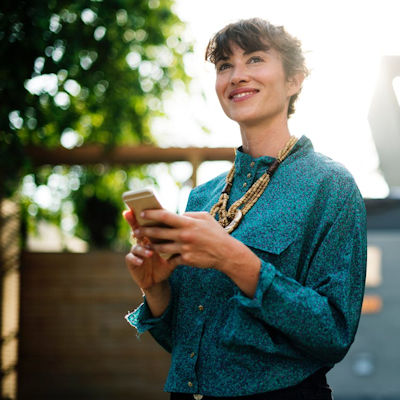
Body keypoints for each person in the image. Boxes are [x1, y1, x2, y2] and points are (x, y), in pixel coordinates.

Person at [123, 18, 367, 400]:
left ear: (294, 80)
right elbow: (186, 344)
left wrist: (231, 257)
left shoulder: (331, 186)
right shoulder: (201, 198)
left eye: (254, 59)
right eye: (224, 65)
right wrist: (154, 287)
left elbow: (333, 333)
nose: (236, 75)